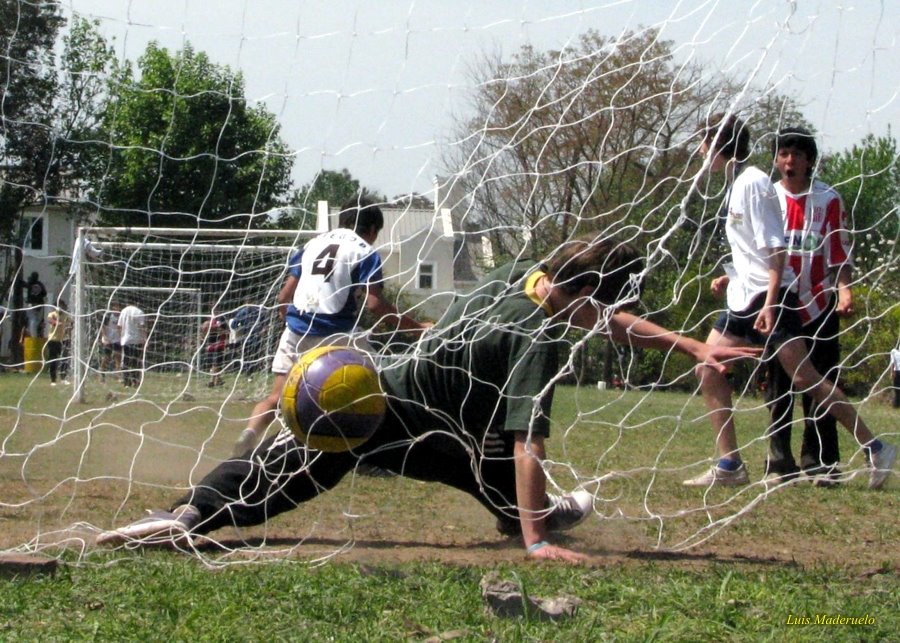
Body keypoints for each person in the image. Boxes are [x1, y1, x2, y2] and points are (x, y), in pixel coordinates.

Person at [97, 235, 763, 562]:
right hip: (392, 411)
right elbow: (532, 440)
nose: (609, 322)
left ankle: (189, 511)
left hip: (414, 399)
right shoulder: (540, 337)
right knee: (300, 469)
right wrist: (534, 547)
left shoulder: (527, 276)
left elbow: (609, 320)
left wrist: (688, 345)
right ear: (587, 296)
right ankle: (184, 514)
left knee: (483, 464)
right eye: (607, 308)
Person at [683, 114, 896, 490]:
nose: (701, 151)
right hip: (744, 298)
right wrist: (732, 276)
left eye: (703, 143)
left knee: (805, 378)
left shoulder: (752, 184)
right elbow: (751, 252)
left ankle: (875, 447)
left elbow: (776, 248)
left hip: (770, 299)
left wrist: (769, 302)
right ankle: (730, 463)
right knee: (708, 365)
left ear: (718, 145)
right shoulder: (737, 184)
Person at [231, 197, 431, 457]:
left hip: (295, 330)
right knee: (383, 384)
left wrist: (292, 324)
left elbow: (283, 298)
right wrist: (417, 328)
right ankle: (380, 450)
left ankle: (248, 434)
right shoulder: (365, 252)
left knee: (276, 398)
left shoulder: (312, 244)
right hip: (337, 335)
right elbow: (374, 305)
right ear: (371, 229)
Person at [764, 127, 854, 486]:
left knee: (821, 381)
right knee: (778, 386)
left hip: (818, 303)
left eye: (797, 155)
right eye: (784, 154)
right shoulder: (767, 199)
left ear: (809, 161)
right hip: (779, 304)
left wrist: (844, 290)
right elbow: (754, 250)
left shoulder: (828, 200)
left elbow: (838, 252)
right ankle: (778, 463)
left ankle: (822, 463)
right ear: (776, 159)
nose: (789, 161)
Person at [118, 303, 147, 388]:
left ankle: (126, 382)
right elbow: (142, 326)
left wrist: (121, 337)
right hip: (137, 340)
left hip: (126, 340)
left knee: (126, 361)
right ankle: (136, 381)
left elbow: (119, 326)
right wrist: (145, 339)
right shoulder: (139, 312)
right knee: (136, 362)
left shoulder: (123, 311)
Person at [44, 301, 70, 386]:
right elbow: (50, 320)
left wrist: (69, 328)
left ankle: (63, 378)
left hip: (63, 340)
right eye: (58, 306)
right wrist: (56, 323)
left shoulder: (66, 315)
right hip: (53, 340)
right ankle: (53, 380)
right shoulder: (52, 314)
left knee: (64, 360)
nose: (60, 307)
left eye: (62, 305)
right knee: (53, 360)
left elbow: (71, 323)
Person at [99, 304, 123, 380]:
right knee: (106, 358)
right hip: (108, 340)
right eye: (115, 307)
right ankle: (102, 374)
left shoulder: (121, 317)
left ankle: (118, 376)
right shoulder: (108, 316)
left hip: (117, 340)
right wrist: (105, 336)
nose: (117, 309)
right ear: (113, 308)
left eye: (118, 307)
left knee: (118, 357)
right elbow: (103, 327)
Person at [23, 271, 47, 338]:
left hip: (32, 305)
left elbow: (23, 284)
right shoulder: (40, 284)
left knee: (33, 321)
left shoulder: (30, 284)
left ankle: (34, 337)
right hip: (39, 305)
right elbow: (45, 293)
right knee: (35, 322)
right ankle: (34, 335)